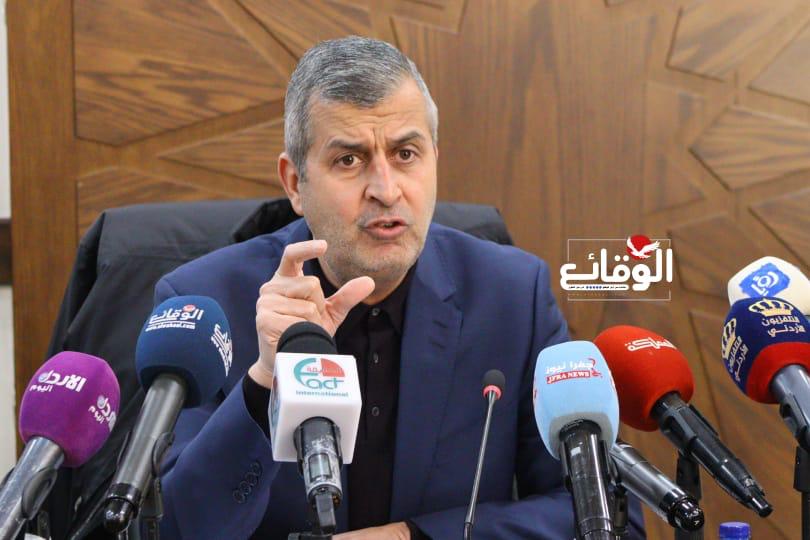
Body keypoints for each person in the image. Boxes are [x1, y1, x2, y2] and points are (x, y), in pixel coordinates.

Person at [154, 36, 645, 539]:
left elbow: (608, 518)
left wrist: (411, 536)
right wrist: (261, 380)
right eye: (349, 160)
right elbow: (169, 529)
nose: (386, 190)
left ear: (435, 158)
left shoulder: (512, 297)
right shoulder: (206, 307)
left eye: (406, 154)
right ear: (295, 183)